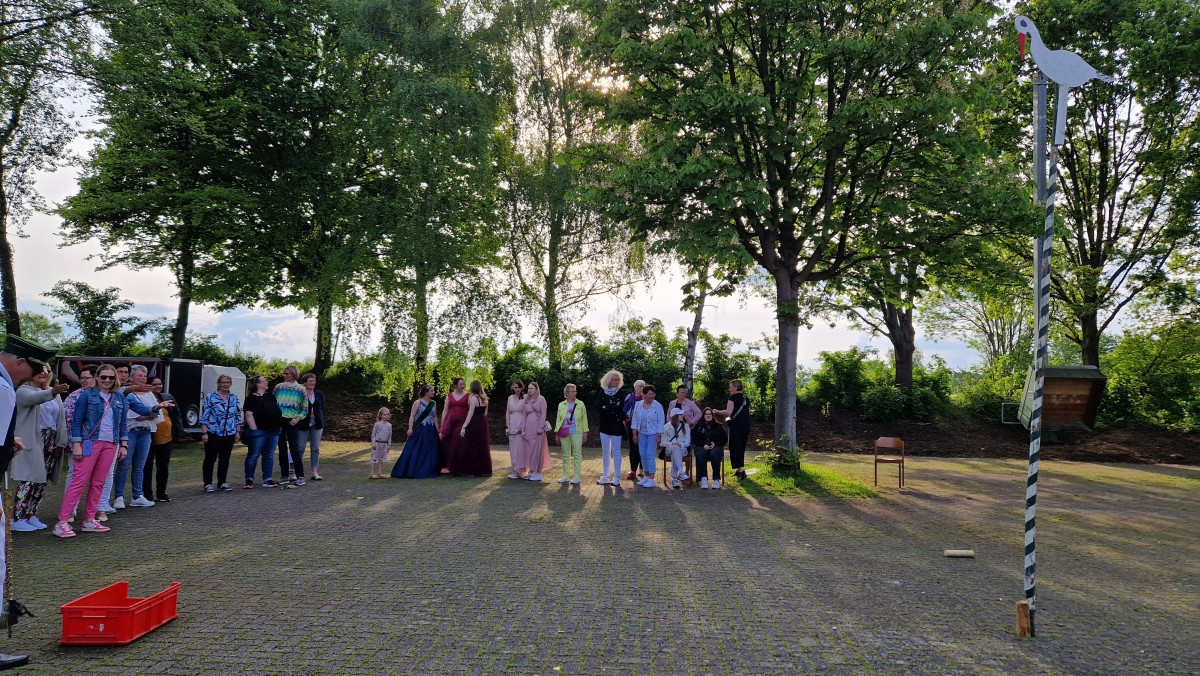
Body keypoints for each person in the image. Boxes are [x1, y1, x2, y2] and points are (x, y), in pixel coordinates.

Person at [1, 335, 55, 669]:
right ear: (20, 362)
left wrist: (9, 441)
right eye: (32, 372)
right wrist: (8, 448)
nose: (30, 378)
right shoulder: (4, 388)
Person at [58, 363, 130, 538]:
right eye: (103, 377)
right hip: (89, 442)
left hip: (111, 444)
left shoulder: (119, 398)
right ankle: (62, 522)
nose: (107, 380)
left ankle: (89, 519)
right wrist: (76, 444)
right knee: (79, 481)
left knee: (99, 482)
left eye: (111, 377)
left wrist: (123, 445)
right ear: (97, 377)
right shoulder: (87, 395)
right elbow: (76, 421)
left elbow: (122, 424)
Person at [10, 369, 68, 531]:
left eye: (47, 370)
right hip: (32, 439)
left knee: (42, 480)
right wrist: (53, 392)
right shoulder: (23, 390)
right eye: (39, 370)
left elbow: (61, 419)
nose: (43, 373)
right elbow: (34, 399)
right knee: (28, 479)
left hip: (51, 439)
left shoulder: (53, 393)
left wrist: (61, 442)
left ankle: (31, 514)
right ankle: (18, 517)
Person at [113, 365, 170, 508]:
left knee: (140, 466)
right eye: (140, 375)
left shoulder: (149, 393)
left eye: (145, 376)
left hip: (145, 432)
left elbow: (155, 412)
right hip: (130, 431)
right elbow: (128, 414)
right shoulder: (125, 392)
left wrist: (155, 410)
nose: (143, 378)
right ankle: (119, 497)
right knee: (124, 464)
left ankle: (137, 496)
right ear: (131, 377)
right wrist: (144, 415)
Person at [62, 365, 105, 521]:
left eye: (87, 378)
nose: (83, 381)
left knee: (101, 476)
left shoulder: (106, 395)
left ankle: (99, 509)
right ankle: (70, 509)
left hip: (104, 442)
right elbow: (69, 420)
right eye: (81, 378)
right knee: (76, 474)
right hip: (82, 442)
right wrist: (75, 443)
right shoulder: (75, 396)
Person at [143, 377, 183, 502]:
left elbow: (176, 414)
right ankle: (147, 494)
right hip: (149, 438)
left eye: (160, 384)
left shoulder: (167, 397)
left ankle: (161, 493)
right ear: (148, 385)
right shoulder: (144, 398)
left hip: (166, 438)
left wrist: (179, 431)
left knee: (163, 467)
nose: (158, 386)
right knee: (147, 467)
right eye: (154, 384)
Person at [200, 374, 242, 492]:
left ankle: (222, 482)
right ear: (218, 384)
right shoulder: (211, 397)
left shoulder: (234, 397)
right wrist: (204, 433)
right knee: (210, 458)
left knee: (225, 458)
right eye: (223, 382)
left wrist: (237, 431)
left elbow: (237, 415)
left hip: (229, 433)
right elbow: (204, 416)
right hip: (213, 432)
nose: (225, 384)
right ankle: (208, 483)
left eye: (228, 382)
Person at [391, 385, 441, 479]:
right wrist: (410, 428)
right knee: (417, 449)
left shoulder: (433, 403)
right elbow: (412, 416)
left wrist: (437, 429)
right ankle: (413, 469)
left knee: (430, 449)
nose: (433, 392)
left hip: (431, 430)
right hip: (420, 429)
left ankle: (430, 468)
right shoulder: (418, 402)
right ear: (426, 392)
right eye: (431, 391)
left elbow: (434, 416)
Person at [243, 375, 283, 488]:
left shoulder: (270, 396)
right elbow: (248, 414)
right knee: (253, 455)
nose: (267, 382)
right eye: (264, 381)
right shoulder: (251, 398)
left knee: (269, 455)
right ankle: (249, 479)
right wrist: (254, 430)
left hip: (274, 430)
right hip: (259, 431)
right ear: (258, 384)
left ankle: (267, 479)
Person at [275, 365, 309, 487]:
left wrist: (297, 419)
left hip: (293, 421)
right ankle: (284, 476)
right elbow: (273, 404)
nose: (284, 375)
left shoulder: (301, 389)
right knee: (282, 448)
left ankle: (300, 476)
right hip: (279, 421)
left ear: (294, 374)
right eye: (284, 373)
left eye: (287, 373)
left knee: (294, 448)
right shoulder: (278, 387)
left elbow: (305, 408)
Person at [452, 380, 492, 477]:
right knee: (482, 446)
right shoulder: (485, 398)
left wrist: (464, 426)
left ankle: (472, 471)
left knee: (472, 445)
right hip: (483, 423)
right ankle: (484, 470)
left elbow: (470, 413)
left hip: (474, 423)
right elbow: (485, 414)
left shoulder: (474, 398)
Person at [629, 385, 664, 489]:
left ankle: (652, 478)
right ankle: (647, 476)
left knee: (650, 455)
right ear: (644, 395)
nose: (651, 396)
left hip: (653, 434)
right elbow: (634, 420)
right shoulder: (638, 405)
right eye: (649, 394)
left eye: (653, 394)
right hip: (642, 434)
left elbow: (661, 421)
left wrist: (659, 436)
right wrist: (634, 434)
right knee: (643, 454)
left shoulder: (658, 406)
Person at [595, 371, 625, 486]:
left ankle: (616, 476)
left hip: (616, 425)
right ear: (608, 380)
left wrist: (606, 407)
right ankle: (605, 475)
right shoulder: (602, 392)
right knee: (605, 451)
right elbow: (598, 408)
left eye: (618, 380)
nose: (616, 381)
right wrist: (612, 407)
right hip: (604, 425)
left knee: (616, 451)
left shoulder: (620, 393)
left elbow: (620, 408)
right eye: (614, 379)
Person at [554, 383, 588, 485]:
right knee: (565, 454)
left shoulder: (580, 404)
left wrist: (585, 433)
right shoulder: (561, 405)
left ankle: (577, 476)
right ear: (567, 393)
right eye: (572, 391)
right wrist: (556, 433)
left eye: (575, 391)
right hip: (564, 432)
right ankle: (565, 475)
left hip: (577, 432)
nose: (575, 393)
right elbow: (558, 419)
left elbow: (584, 419)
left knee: (577, 454)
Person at [719, 379, 752, 479]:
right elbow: (749, 412)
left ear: (735, 387)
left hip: (736, 425)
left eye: (730, 387)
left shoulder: (732, 398)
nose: (729, 389)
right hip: (746, 425)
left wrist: (717, 412)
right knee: (741, 446)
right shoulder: (746, 398)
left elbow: (728, 412)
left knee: (734, 446)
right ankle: (739, 470)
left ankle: (741, 471)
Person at [518, 382, 550, 481]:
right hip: (528, 429)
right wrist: (522, 429)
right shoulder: (526, 400)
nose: (530, 390)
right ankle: (531, 471)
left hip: (537, 428)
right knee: (529, 450)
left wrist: (540, 426)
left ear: (536, 389)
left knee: (537, 449)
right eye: (528, 388)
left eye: (532, 388)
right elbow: (524, 416)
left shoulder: (541, 399)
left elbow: (544, 413)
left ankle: (538, 472)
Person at [297, 372, 326, 480]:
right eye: (310, 381)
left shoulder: (319, 394)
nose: (312, 383)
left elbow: (321, 407)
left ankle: (314, 472)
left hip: (317, 424)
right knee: (300, 448)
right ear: (305, 383)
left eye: (314, 381)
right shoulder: (300, 394)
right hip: (302, 423)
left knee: (315, 448)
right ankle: (297, 472)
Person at [439, 378, 469, 474]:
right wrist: (443, 423)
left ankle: (458, 466)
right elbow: (445, 410)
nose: (463, 386)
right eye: (461, 384)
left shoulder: (468, 395)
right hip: (450, 421)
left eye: (464, 384)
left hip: (462, 421)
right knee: (447, 442)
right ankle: (446, 465)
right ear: (455, 385)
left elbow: (470, 410)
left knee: (458, 442)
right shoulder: (449, 395)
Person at [692, 408, 727, 489]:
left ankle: (716, 479)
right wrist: (703, 444)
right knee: (700, 453)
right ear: (703, 416)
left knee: (715, 453)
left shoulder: (719, 426)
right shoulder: (698, 426)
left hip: (716, 447)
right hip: (702, 447)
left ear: (713, 415)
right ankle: (703, 478)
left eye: (710, 414)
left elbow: (724, 439)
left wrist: (715, 443)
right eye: (706, 414)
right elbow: (694, 439)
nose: (708, 415)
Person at [660, 407, 691, 490]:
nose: (682, 415)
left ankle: (675, 478)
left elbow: (687, 442)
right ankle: (681, 472)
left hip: (682, 449)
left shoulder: (686, 426)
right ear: (675, 416)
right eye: (680, 414)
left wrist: (680, 444)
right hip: (669, 449)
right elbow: (662, 443)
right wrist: (672, 443)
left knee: (676, 451)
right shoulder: (666, 427)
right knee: (675, 448)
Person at [622, 379, 645, 480]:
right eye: (639, 386)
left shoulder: (646, 397)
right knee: (633, 446)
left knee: (641, 446)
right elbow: (624, 409)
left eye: (643, 386)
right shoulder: (630, 397)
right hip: (631, 424)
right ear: (635, 387)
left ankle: (641, 468)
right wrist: (627, 419)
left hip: (643, 425)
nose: (641, 388)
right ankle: (632, 469)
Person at [504, 380, 526, 479]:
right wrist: (507, 426)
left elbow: (527, 412)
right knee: (513, 448)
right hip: (512, 424)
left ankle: (521, 471)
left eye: (519, 387)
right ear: (513, 388)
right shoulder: (510, 398)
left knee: (520, 448)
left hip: (521, 424)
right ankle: (514, 471)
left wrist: (523, 427)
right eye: (515, 387)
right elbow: (507, 413)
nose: (517, 389)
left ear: (522, 388)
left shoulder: (525, 397)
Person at [370, 407, 392, 479]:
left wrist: (389, 446)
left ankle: (380, 473)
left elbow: (389, 436)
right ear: (380, 415)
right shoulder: (377, 424)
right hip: (377, 443)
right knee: (374, 458)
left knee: (381, 459)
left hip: (384, 444)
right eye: (384, 415)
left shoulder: (389, 425)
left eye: (387, 414)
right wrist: (373, 443)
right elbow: (373, 434)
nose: (386, 416)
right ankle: (372, 474)